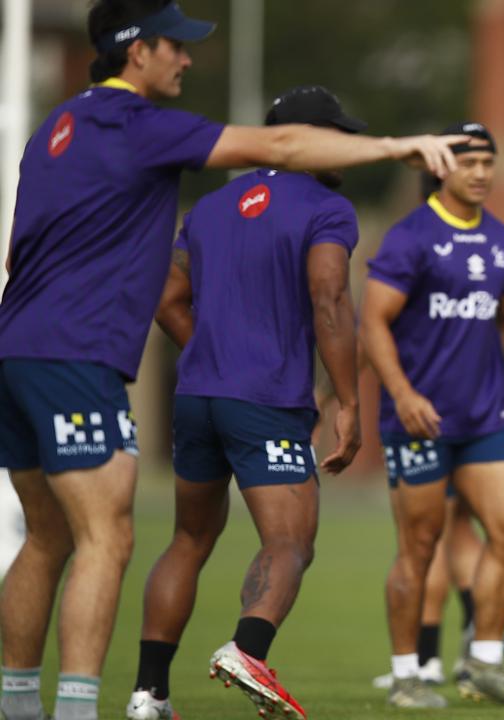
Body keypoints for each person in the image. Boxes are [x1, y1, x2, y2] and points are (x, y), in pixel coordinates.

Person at [0, 3, 468, 719]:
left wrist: (206, 345)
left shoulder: (52, 131)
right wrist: (396, 147)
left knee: (53, 536)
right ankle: (89, 706)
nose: (186, 61)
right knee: (114, 536)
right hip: (86, 356)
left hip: (21, 346)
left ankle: (59, 700)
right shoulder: (140, 124)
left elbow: (23, 254)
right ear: (137, 52)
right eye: (175, 48)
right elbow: (294, 196)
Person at [123, 85, 366, 720]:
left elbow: (167, 298)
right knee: (290, 540)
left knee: (188, 538)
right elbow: (330, 299)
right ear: (306, 140)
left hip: (196, 395)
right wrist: (349, 402)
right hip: (267, 400)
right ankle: (249, 648)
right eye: (337, 136)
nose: (347, 148)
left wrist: (210, 349)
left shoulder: (208, 207)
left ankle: (149, 694)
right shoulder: (327, 207)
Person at [362, 121, 504, 708]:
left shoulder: (499, 239)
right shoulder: (410, 237)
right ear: (440, 167)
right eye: (469, 161)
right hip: (420, 421)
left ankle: (485, 663)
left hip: (485, 418)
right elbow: (373, 323)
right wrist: (403, 393)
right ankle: (406, 673)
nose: (482, 172)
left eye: (489, 161)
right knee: (420, 544)